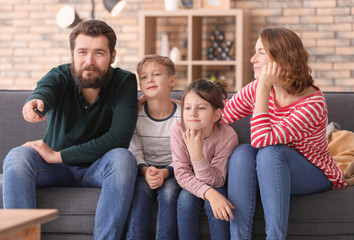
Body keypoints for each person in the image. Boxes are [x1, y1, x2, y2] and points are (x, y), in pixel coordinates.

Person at [2, 19, 138, 240]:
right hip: (53, 170)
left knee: (123, 158)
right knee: (17, 157)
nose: (89, 61)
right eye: (82, 52)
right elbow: (44, 90)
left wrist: (58, 155)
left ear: (113, 56)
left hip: (98, 168)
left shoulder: (125, 82)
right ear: (72, 54)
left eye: (99, 53)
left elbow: (119, 138)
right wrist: (35, 103)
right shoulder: (60, 75)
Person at [223, 27, 346, 239]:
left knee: (271, 152)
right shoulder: (259, 87)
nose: (252, 59)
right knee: (242, 152)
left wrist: (262, 88)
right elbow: (220, 114)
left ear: (282, 58)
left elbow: (262, 140)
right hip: (271, 168)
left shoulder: (312, 104)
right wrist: (169, 106)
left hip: (315, 173)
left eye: (261, 52)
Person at [170, 79, 239, 240]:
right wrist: (209, 193)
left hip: (217, 183)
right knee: (185, 200)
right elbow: (181, 174)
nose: (192, 113)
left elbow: (218, 180)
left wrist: (197, 156)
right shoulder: (178, 129)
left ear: (216, 115)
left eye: (201, 108)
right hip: (190, 184)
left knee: (219, 205)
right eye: (187, 108)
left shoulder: (228, 136)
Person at [126, 55, 181, 239]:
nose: (149, 79)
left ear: (172, 80)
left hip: (174, 171)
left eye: (156, 74)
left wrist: (165, 172)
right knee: (139, 194)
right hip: (145, 170)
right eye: (144, 77)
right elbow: (134, 150)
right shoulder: (134, 115)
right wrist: (145, 171)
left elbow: (184, 155)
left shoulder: (184, 116)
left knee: (170, 192)